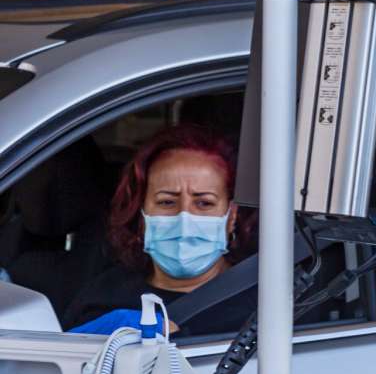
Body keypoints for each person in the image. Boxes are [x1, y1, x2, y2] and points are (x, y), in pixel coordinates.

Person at [64, 125, 257, 337]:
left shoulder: (265, 306)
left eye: (204, 203)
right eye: (166, 202)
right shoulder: (102, 299)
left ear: (232, 216)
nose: (184, 218)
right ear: (141, 213)